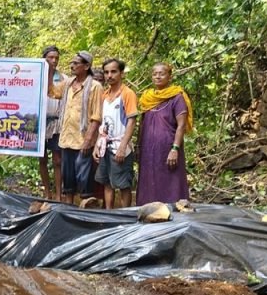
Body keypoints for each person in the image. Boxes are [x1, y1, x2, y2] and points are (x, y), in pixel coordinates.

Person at [136, 62, 193, 205]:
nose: (158, 76)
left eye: (161, 73)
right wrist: (138, 147)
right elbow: (142, 124)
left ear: (170, 76)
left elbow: (181, 125)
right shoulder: (147, 97)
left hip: (168, 149)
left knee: (171, 184)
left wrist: (175, 149)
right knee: (149, 184)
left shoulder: (177, 97)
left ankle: (174, 217)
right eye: (155, 74)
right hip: (148, 150)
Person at [58, 51, 103, 205]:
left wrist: (88, 139)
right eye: (72, 63)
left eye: (76, 63)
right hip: (66, 139)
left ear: (87, 66)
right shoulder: (67, 84)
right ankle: (69, 210)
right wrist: (49, 69)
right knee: (68, 179)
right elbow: (52, 92)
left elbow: (96, 116)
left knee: (84, 180)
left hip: (83, 140)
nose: (72, 66)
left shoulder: (95, 87)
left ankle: (85, 214)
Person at [93, 58, 138, 208]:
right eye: (106, 72)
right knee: (107, 182)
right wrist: (97, 145)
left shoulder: (127, 94)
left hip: (120, 145)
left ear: (121, 73)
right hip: (106, 145)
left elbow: (132, 121)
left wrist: (123, 146)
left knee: (123, 184)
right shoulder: (104, 95)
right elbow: (102, 123)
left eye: (113, 71)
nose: (109, 75)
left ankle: (125, 215)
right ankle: (109, 214)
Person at [39, 46, 67, 200]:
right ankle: (47, 192)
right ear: (44, 58)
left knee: (57, 159)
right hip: (40, 123)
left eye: (56, 58)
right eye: (50, 57)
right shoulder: (36, 76)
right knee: (42, 158)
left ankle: (58, 194)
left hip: (56, 123)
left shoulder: (63, 78)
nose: (54, 61)